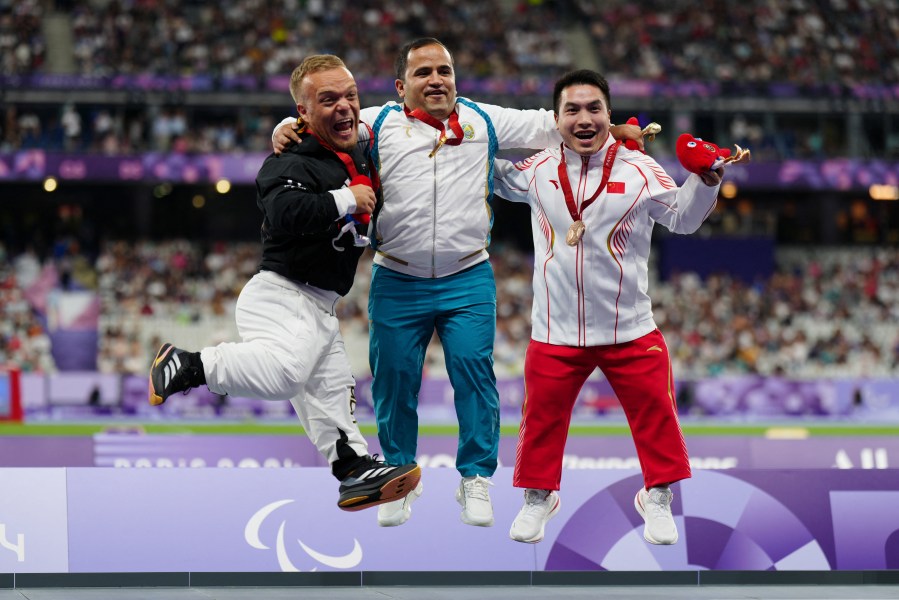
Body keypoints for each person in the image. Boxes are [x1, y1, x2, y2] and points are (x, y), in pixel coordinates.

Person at [272, 38, 644, 529]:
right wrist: (286, 125)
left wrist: (611, 129)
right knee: (394, 383)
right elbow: (326, 126)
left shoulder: (482, 120)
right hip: (396, 274)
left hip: (467, 275)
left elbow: (550, 123)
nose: (436, 80)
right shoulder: (376, 123)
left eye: (444, 71)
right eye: (423, 73)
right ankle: (400, 475)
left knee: (475, 376)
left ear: (455, 78)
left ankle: (476, 479)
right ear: (402, 86)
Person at [148, 54, 421, 513]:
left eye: (350, 96)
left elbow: (369, 125)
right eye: (328, 99)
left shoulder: (360, 147)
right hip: (281, 292)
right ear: (303, 112)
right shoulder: (286, 161)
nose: (344, 107)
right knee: (287, 375)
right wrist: (344, 198)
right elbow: (283, 214)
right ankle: (190, 363)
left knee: (333, 397)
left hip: (321, 305)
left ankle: (353, 472)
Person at [492, 69, 725, 545]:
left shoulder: (639, 169)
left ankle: (657, 495)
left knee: (657, 414)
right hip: (556, 330)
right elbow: (492, 174)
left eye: (594, 109)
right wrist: (459, 141)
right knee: (540, 421)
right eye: (572, 110)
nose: (584, 118)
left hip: (629, 328)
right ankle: (540, 496)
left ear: (609, 116)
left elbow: (682, 219)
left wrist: (705, 178)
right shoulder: (537, 168)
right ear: (555, 120)